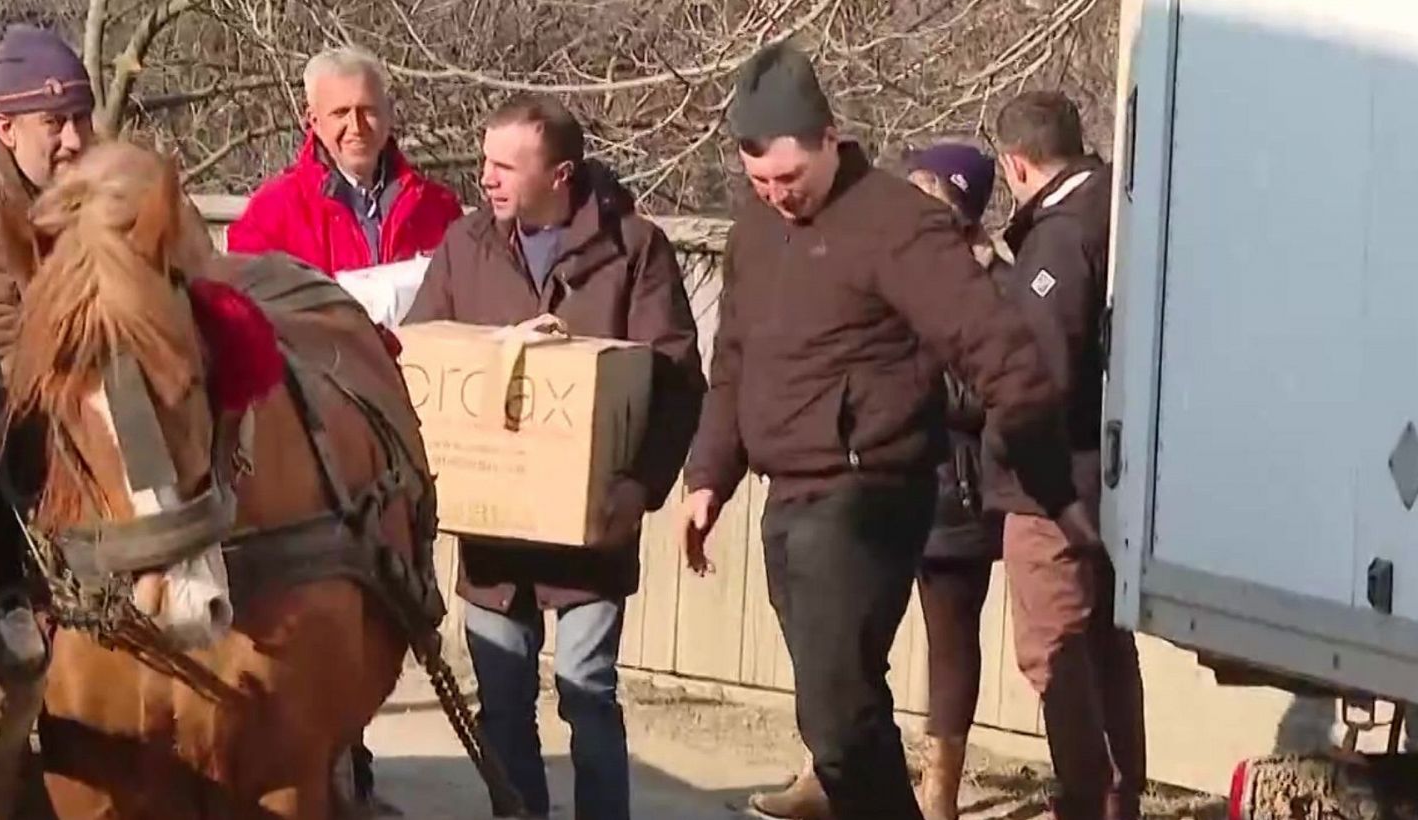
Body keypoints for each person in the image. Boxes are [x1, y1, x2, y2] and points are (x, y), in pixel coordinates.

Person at [681, 42, 1082, 820]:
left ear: (832, 138)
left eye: (790, 178)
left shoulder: (897, 223)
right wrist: (707, 478)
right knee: (834, 709)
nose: (778, 197)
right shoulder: (755, 236)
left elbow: (992, 344)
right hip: (787, 492)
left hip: (870, 492)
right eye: (760, 182)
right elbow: (732, 361)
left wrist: (1048, 481)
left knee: (836, 710)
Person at [0, 22, 214, 820]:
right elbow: (8, 364)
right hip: (29, 451)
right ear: (6, 130)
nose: (72, 139)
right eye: (52, 123)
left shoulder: (121, 190)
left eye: (82, 117)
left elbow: (192, 280)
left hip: (135, 428)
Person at [405, 93, 705, 820]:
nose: (488, 179)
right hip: (493, 528)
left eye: (507, 166)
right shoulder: (465, 244)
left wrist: (639, 489)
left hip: (592, 527)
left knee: (585, 687)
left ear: (562, 173)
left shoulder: (634, 248)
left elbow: (677, 380)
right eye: (485, 162)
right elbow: (418, 351)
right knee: (503, 699)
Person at [747, 142, 1013, 820]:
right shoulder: (874, 258)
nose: (914, 197)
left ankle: (937, 789)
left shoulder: (983, 279)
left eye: (934, 190)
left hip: (953, 489)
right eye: (912, 182)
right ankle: (828, 772)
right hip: (866, 481)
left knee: (950, 642)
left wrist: (904, 387)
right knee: (846, 648)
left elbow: (987, 385)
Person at [987, 91, 1146, 820]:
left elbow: (1039, 374)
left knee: (1055, 651)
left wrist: (1015, 453)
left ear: (1016, 164)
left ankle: (1085, 797)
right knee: (1107, 645)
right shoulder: (1123, 206)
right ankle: (1117, 796)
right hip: (1111, 473)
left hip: (1053, 487)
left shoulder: (1058, 239)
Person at [227, 45, 463, 274]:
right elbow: (243, 303)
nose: (356, 127)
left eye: (368, 111)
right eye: (340, 113)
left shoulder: (437, 208)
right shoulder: (273, 212)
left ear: (388, 113)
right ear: (314, 121)